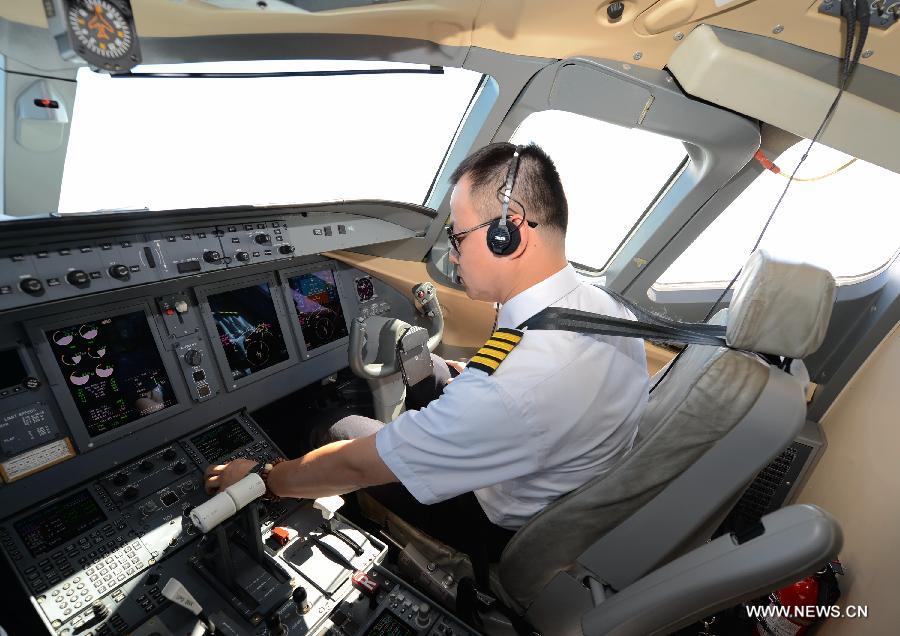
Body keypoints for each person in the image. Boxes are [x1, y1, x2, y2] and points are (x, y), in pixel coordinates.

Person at [204, 142, 649, 577]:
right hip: (557, 476)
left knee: (333, 426)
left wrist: (265, 477)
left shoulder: (514, 386)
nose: (452, 254)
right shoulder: (608, 307)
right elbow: (511, 379)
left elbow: (357, 464)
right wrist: (464, 379)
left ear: (507, 233)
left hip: (494, 519)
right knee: (429, 367)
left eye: (458, 235)